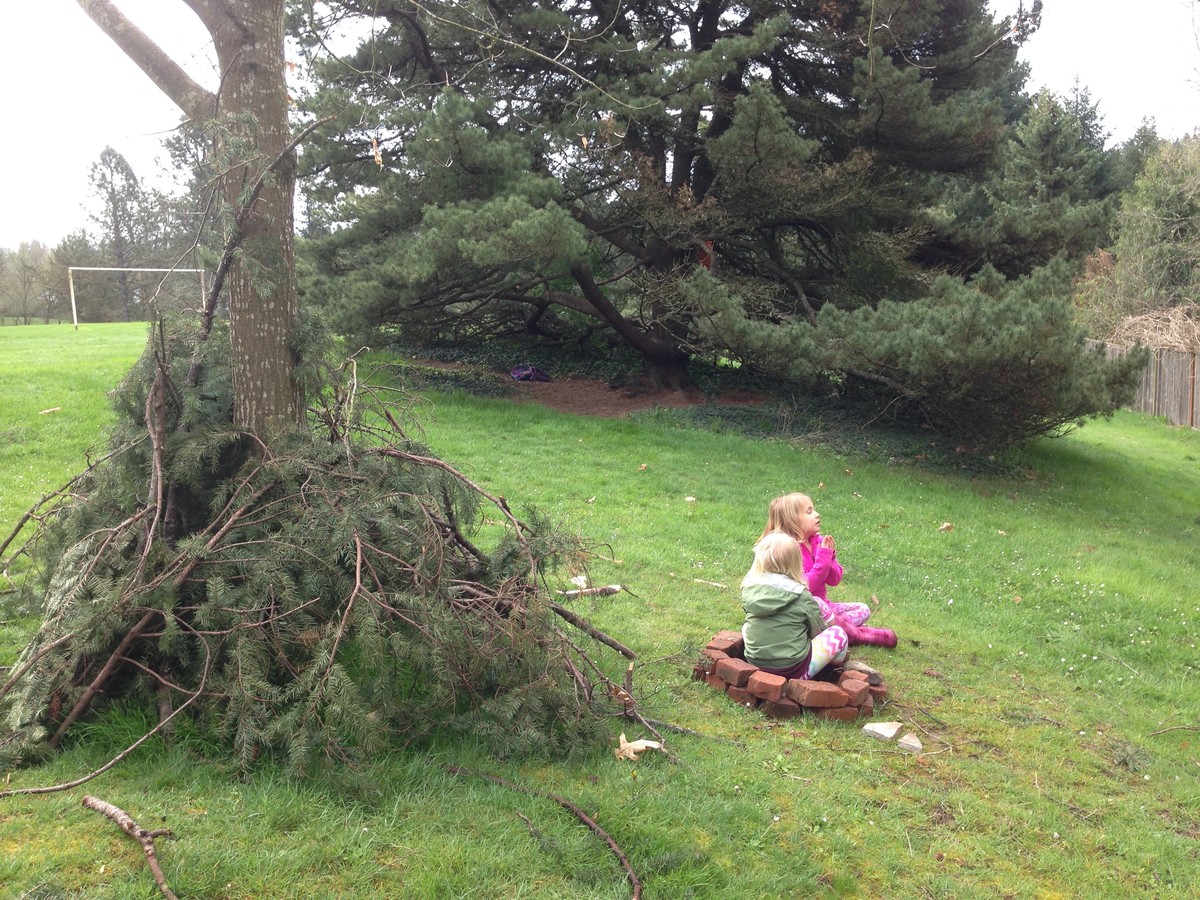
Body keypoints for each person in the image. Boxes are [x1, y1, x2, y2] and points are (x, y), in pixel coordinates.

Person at [762, 492, 897, 648]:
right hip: (804, 611)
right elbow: (806, 587)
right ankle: (858, 634)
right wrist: (824, 559)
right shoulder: (790, 550)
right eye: (809, 512)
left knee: (863, 609)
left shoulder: (819, 542)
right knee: (818, 605)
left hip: (826, 608)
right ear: (793, 520)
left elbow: (834, 580)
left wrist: (830, 556)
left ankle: (840, 629)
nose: (817, 514)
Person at [740, 530, 849, 680]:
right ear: (796, 562)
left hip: (754, 662)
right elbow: (817, 631)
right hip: (793, 669)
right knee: (838, 634)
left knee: (746, 626)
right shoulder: (801, 595)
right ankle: (829, 671)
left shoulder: (750, 589)